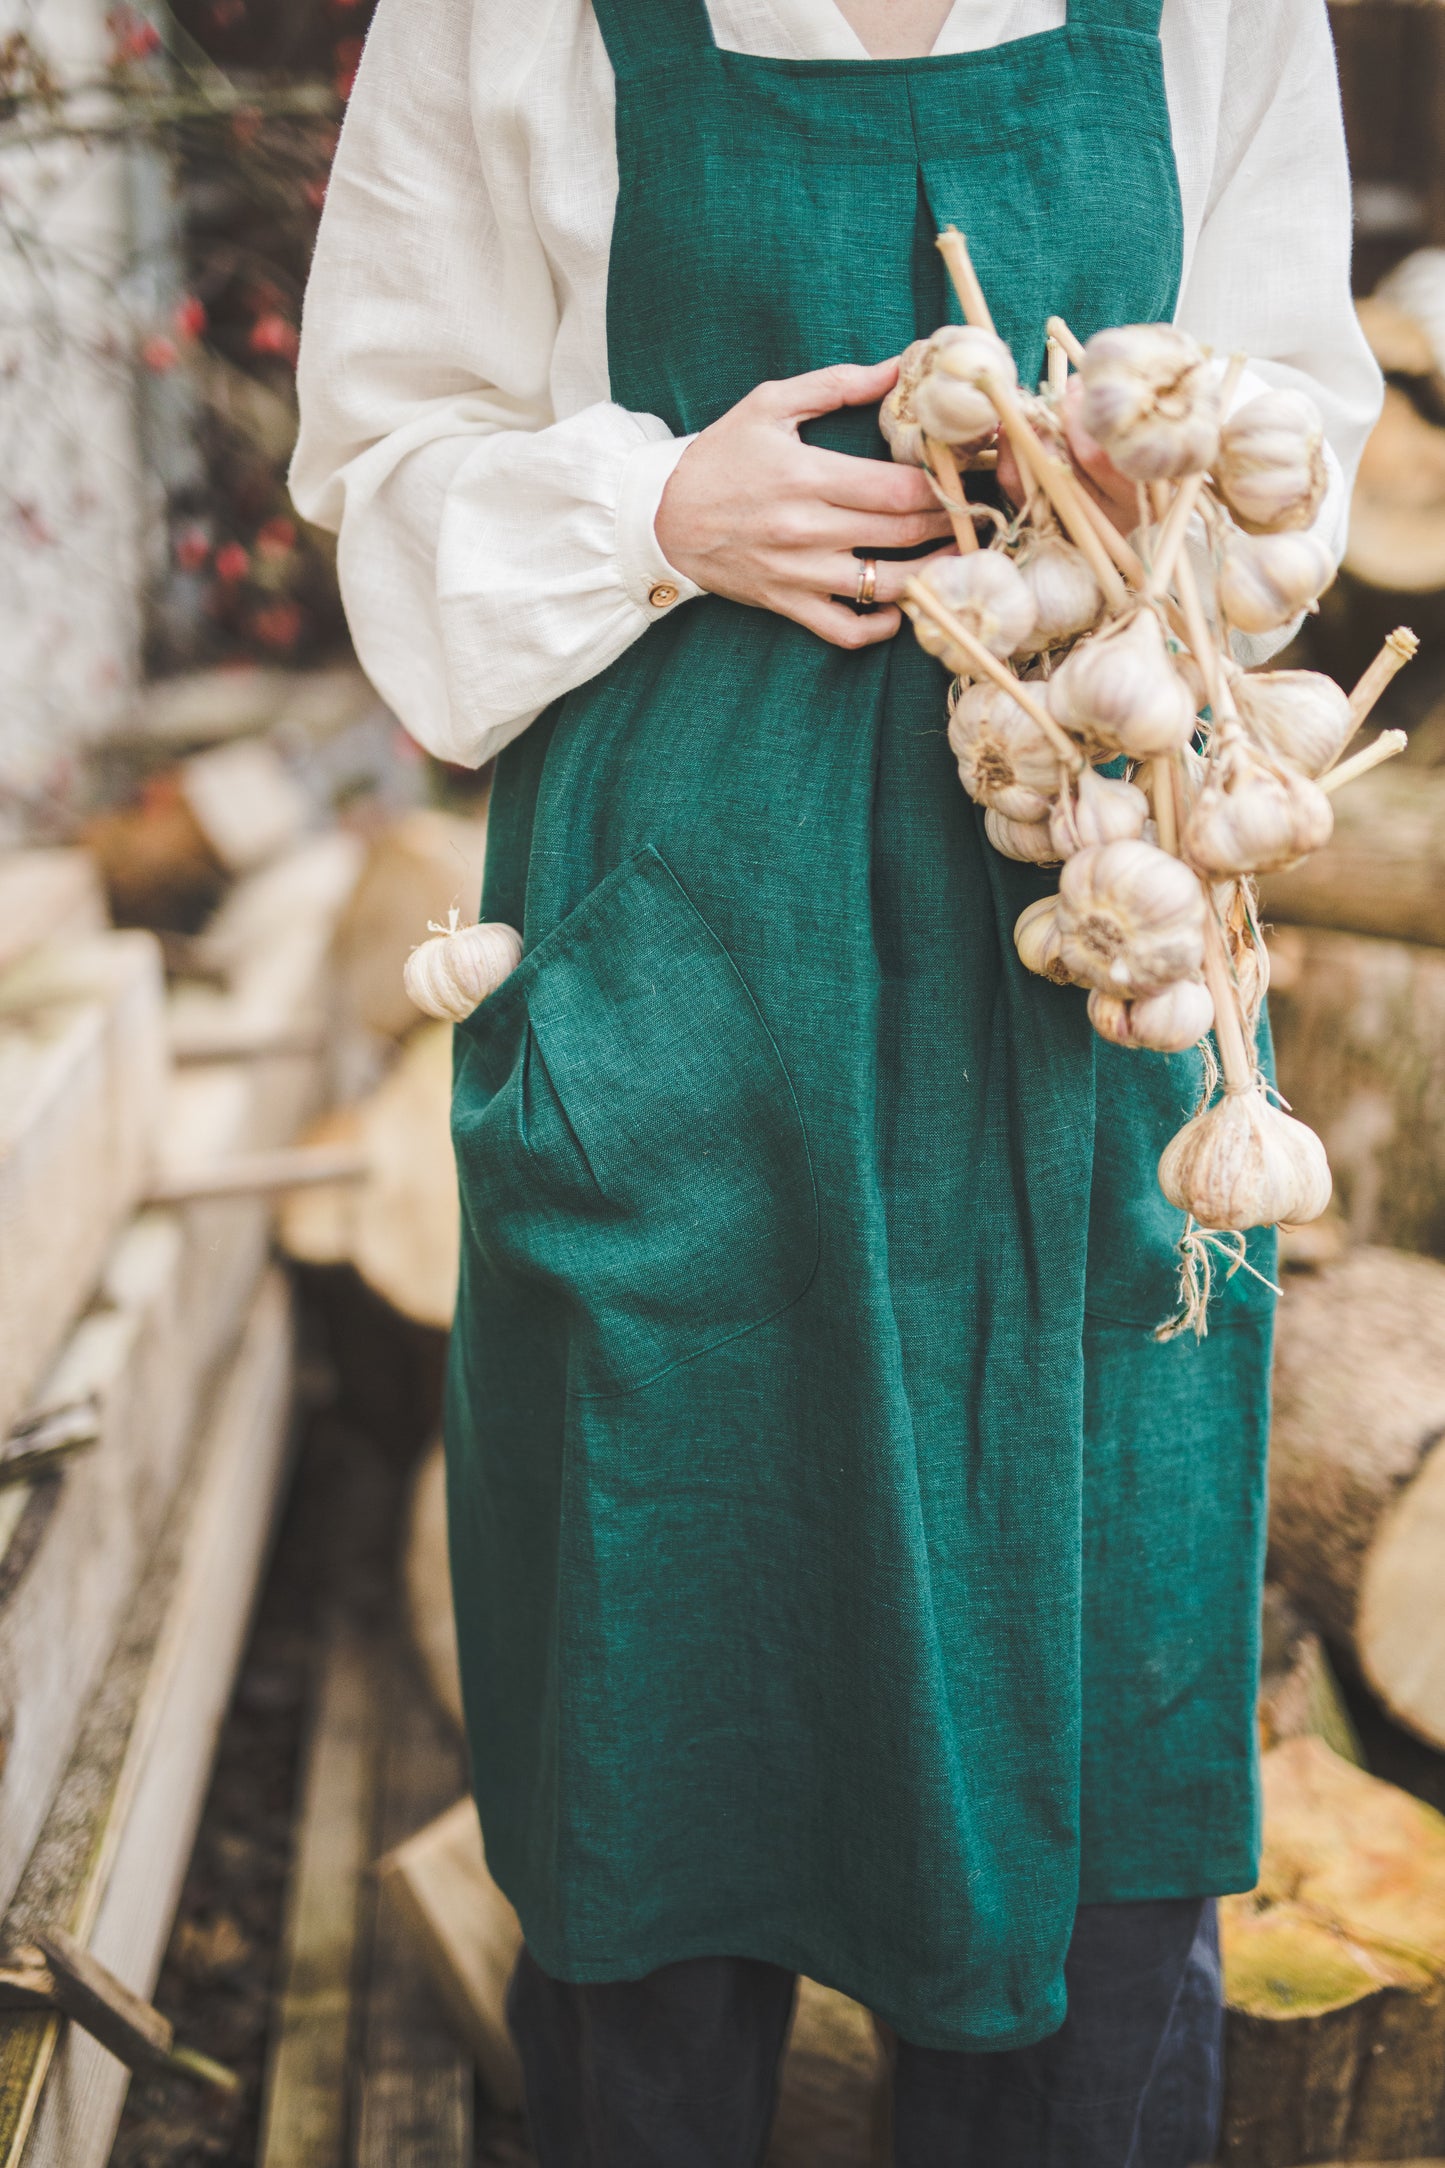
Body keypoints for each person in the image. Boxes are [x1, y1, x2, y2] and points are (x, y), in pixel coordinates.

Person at [292, 3, 1380, 2160]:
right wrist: (659, 503)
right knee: (660, 1718)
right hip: (675, 958)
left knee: (1074, 1717)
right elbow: (379, 456)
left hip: (1092, 953)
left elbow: (1303, 444)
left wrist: (1180, 472)